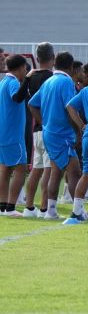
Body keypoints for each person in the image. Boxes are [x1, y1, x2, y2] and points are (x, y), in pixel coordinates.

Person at [28, 51, 81, 221]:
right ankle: (78, 211)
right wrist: (80, 129)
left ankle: (50, 210)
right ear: (71, 67)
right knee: (74, 173)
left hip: (49, 133)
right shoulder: (66, 81)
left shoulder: (49, 81)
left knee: (56, 172)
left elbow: (32, 104)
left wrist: (44, 123)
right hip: (62, 134)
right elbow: (70, 108)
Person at [17, 43, 55, 217]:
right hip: (49, 128)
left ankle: (29, 207)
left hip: (36, 129)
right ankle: (44, 208)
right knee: (49, 169)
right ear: (52, 58)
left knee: (37, 169)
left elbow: (22, 97)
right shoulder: (52, 78)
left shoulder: (31, 76)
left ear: (37, 59)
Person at [0, 54, 30, 215]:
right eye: (25, 68)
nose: (26, 71)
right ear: (19, 68)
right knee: (20, 169)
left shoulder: (2, 82)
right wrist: (27, 81)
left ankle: (3, 206)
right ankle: (11, 207)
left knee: (4, 170)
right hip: (13, 135)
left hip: (3, 134)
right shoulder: (12, 82)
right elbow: (18, 97)